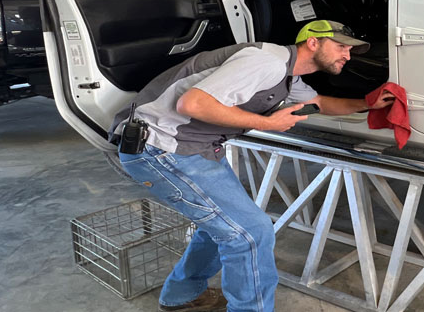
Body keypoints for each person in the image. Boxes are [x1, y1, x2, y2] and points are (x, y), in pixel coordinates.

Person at [114, 20, 394, 312]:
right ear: (313, 42)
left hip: (195, 149)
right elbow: (193, 105)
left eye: (349, 50)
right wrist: (267, 123)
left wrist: (367, 103)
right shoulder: (267, 61)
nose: (347, 56)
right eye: (340, 47)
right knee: (250, 233)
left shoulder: (289, 77)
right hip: (161, 147)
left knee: (224, 227)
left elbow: (320, 103)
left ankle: (182, 295)